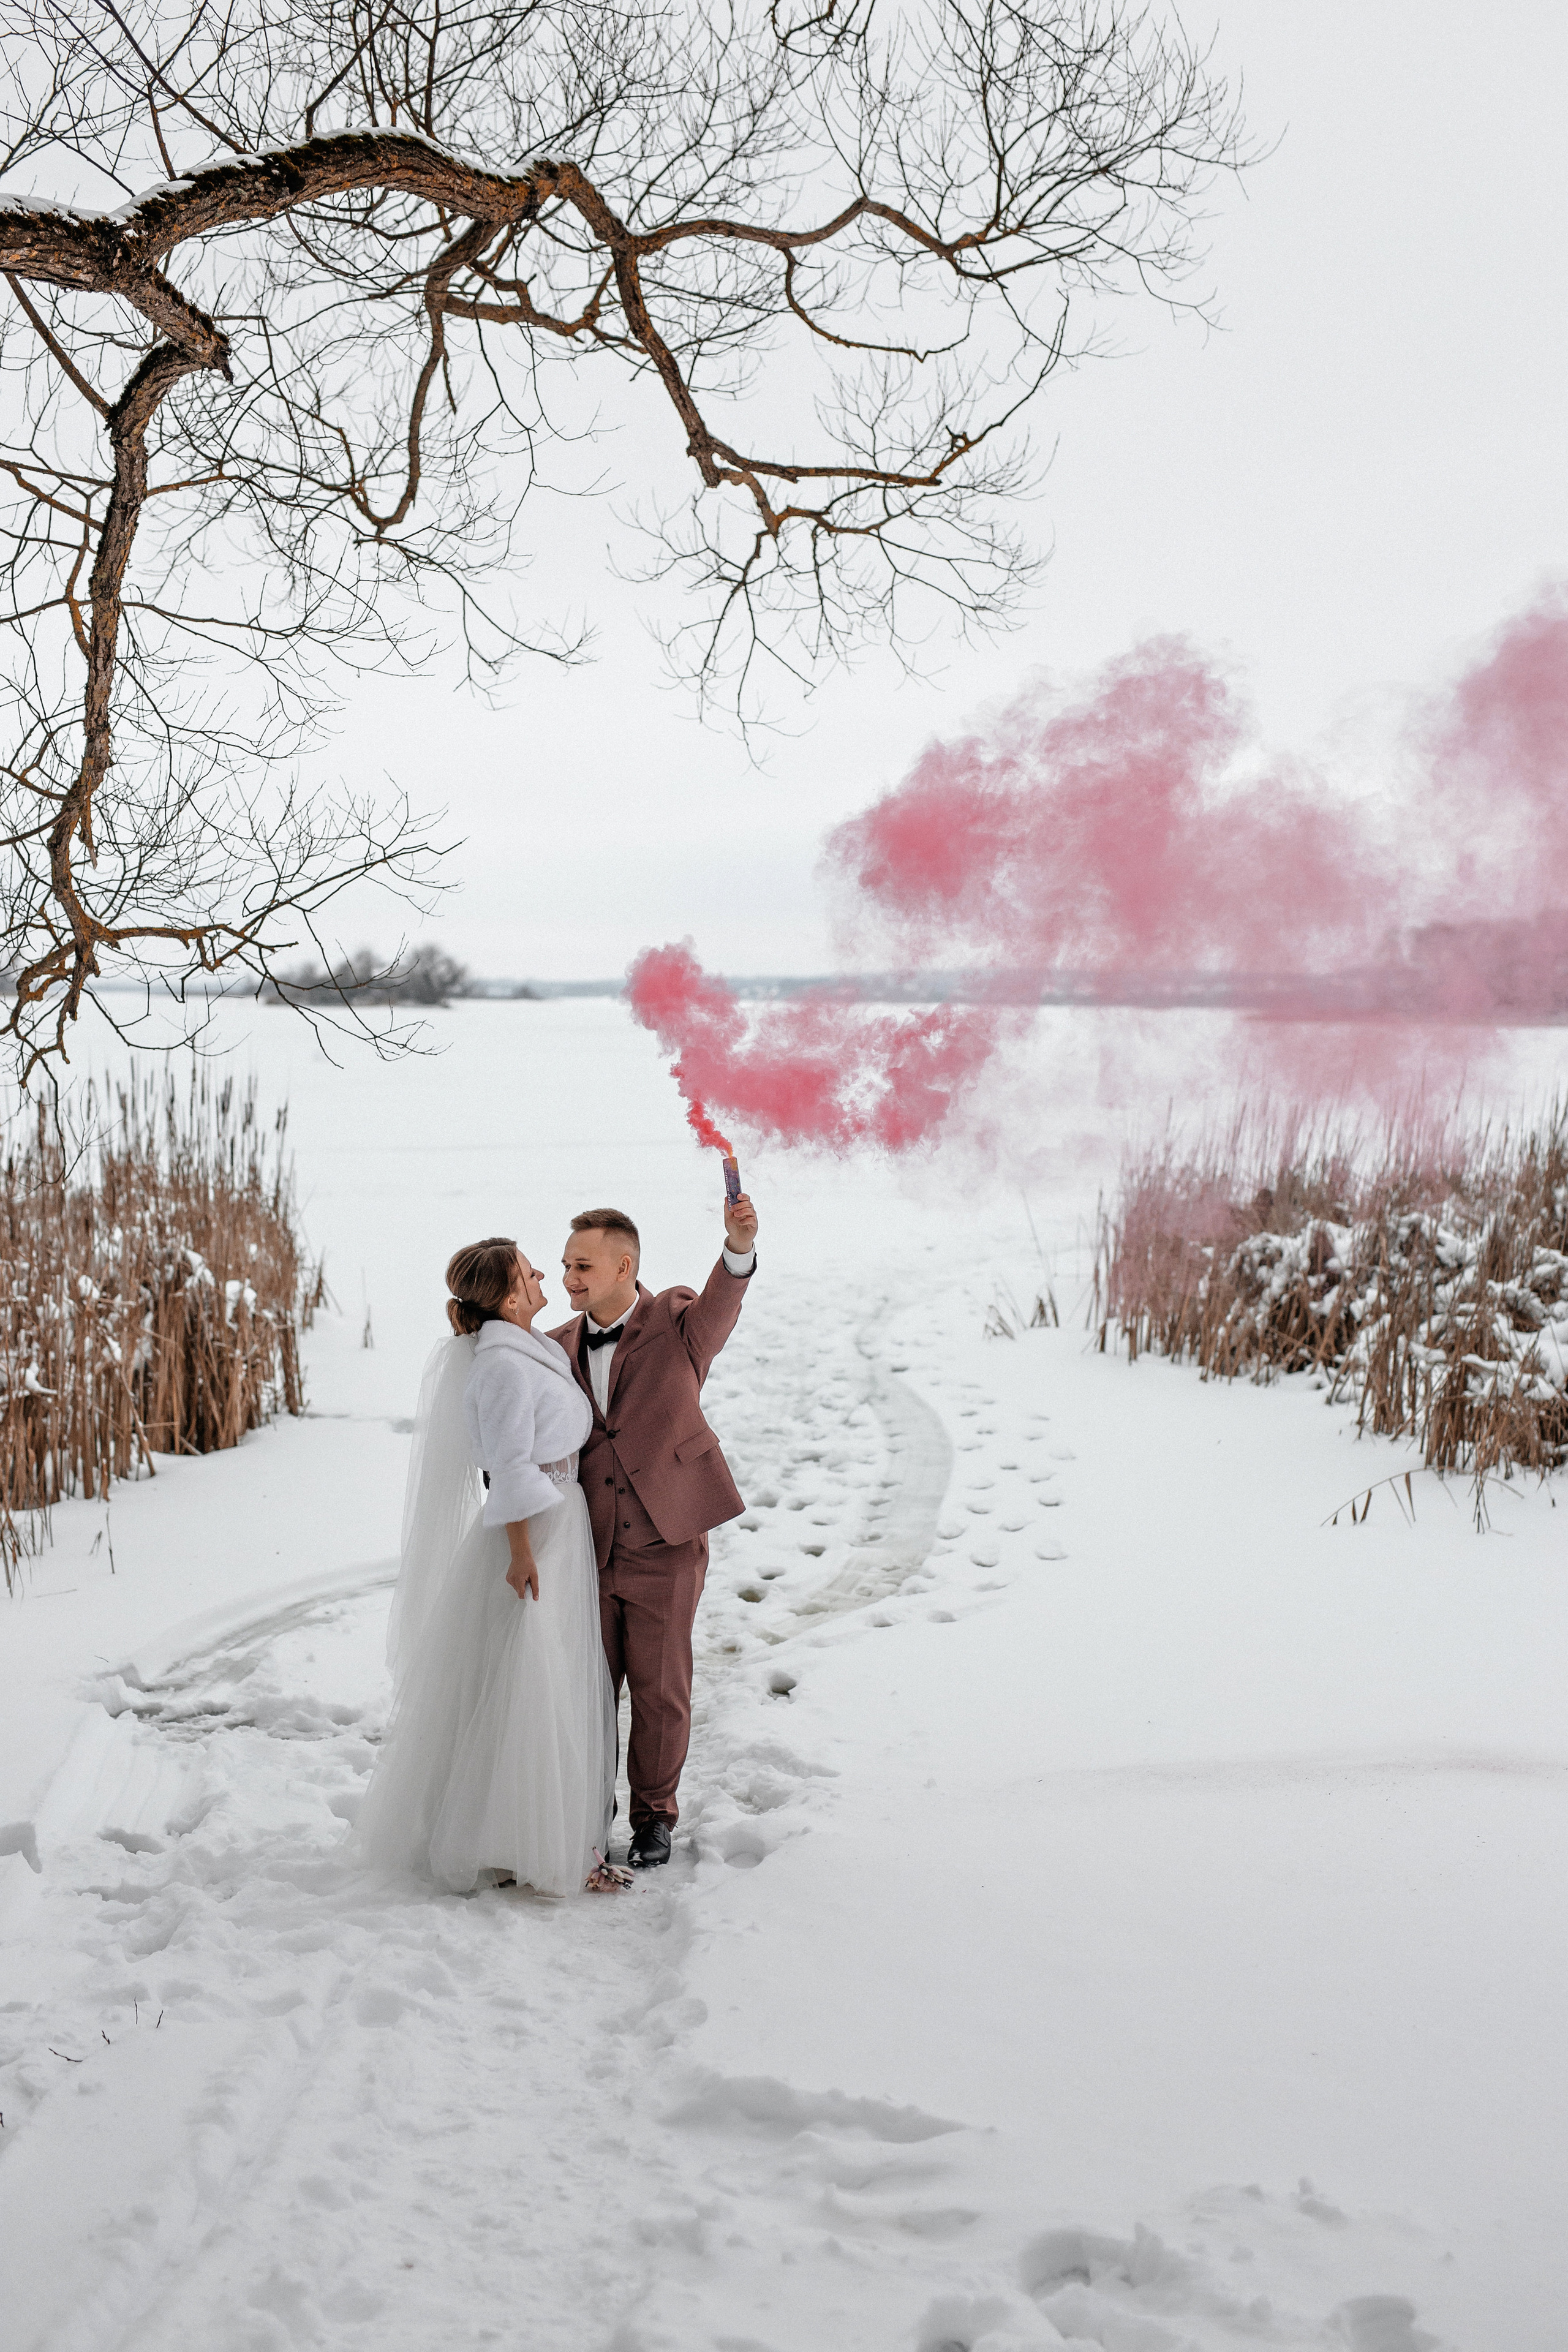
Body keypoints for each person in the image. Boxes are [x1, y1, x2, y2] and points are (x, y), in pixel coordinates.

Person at [357, 1237, 625, 1898]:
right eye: (530, 1271)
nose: (543, 1275)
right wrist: (522, 1555)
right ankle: (515, 1841)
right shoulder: (503, 1366)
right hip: (535, 1535)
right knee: (530, 1683)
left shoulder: (519, 1350)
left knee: (540, 1677)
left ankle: (541, 1833)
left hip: (555, 1523)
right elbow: (506, 1468)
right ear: (508, 1298)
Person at [551, 1185, 759, 1869]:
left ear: (623, 1266)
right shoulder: (553, 1349)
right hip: (585, 1550)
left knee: (660, 1692)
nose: (567, 1278)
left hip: (664, 1542)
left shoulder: (676, 1323)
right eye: (564, 1264)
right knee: (587, 1693)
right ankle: (587, 1813)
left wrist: (736, 1248)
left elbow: (721, 1308)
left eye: (581, 1266)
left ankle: (653, 1819)